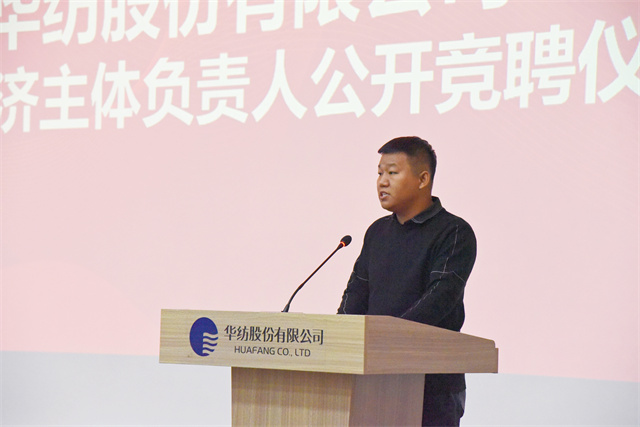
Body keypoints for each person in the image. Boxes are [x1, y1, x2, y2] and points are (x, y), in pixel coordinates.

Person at [337, 136, 477, 427]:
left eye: (392, 172)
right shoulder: (377, 232)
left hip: (432, 386)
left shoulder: (453, 232)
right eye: (379, 173)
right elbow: (356, 293)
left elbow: (440, 297)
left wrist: (386, 339)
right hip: (372, 379)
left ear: (423, 179)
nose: (382, 182)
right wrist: (339, 336)